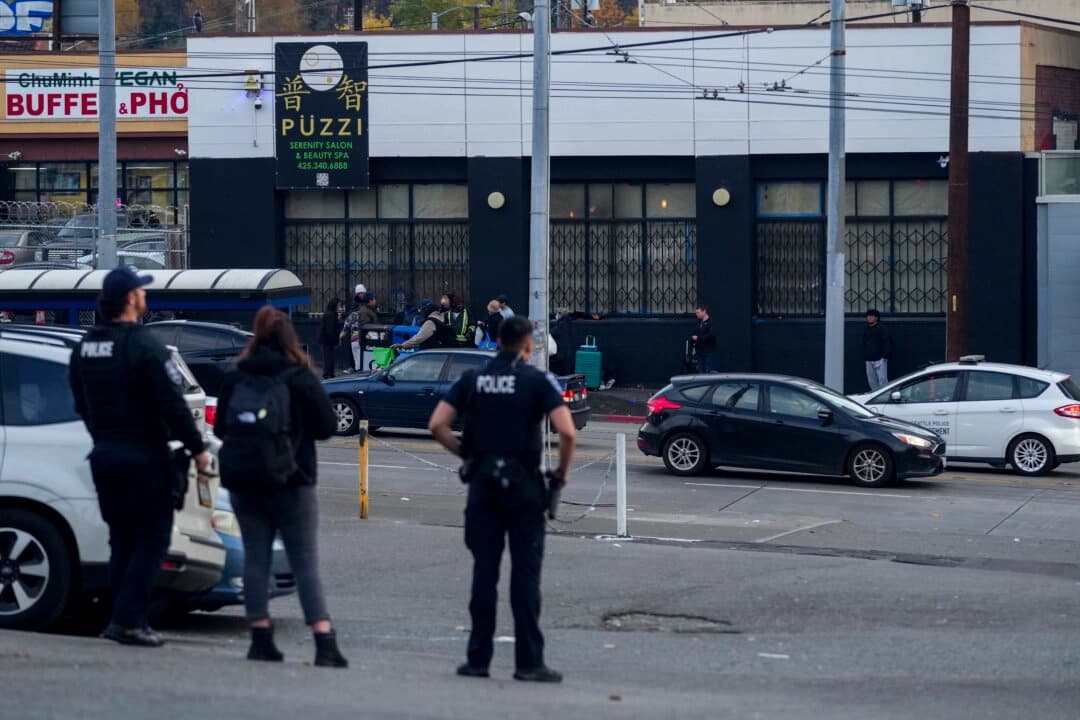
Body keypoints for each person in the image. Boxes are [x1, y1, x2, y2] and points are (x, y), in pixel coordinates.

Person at [427, 315, 577, 683]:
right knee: (525, 577)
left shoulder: (472, 379)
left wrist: (468, 456)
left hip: (483, 487)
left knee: (484, 572)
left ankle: (477, 659)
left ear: (495, 341)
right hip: (524, 488)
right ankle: (528, 663)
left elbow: (437, 425)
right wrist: (560, 475)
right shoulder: (536, 381)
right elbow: (567, 432)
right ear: (527, 345)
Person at [68, 266, 211, 648]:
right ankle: (129, 622)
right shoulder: (144, 346)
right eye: (142, 292)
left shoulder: (85, 347)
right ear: (131, 299)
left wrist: (103, 436)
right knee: (151, 541)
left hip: (105, 456)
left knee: (122, 541)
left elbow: (81, 401)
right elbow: (172, 404)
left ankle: (120, 617)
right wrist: (197, 449)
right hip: (145, 458)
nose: (145, 297)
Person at [214, 306, 347, 668]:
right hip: (294, 480)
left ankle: (260, 638)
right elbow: (325, 427)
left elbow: (220, 430)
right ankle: (323, 641)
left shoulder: (236, 375)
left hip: (244, 481)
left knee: (256, 557)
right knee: (304, 559)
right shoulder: (300, 377)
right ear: (291, 338)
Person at [339, 291, 380, 372]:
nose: (375, 301)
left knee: (359, 363)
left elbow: (345, 327)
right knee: (364, 364)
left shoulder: (353, 315)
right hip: (362, 340)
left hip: (354, 340)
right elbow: (366, 327)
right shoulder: (365, 312)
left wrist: (340, 337)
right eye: (374, 299)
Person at [863, 308, 892, 391]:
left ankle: (885, 396)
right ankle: (875, 396)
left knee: (882, 380)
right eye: (868, 316)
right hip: (869, 359)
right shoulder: (866, 329)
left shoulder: (882, 328)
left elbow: (887, 341)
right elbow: (864, 343)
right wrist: (865, 358)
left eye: (872, 316)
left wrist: (885, 356)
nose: (869, 318)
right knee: (872, 381)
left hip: (880, 359)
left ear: (876, 318)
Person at [317, 298, 342, 380]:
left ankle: (329, 373)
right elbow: (330, 329)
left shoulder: (330, 314)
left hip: (327, 339)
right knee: (328, 357)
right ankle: (327, 373)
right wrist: (334, 340)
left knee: (329, 357)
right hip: (328, 340)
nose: (339, 307)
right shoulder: (330, 315)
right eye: (338, 305)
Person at [690, 304, 717, 373]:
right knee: (700, 371)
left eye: (698, 312)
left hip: (708, 352)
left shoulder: (711, 322)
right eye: (696, 313)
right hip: (699, 351)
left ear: (704, 311)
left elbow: (711, 336)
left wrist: (698, 338)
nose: (696, 314)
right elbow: (694, 333)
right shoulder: (698, 323)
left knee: (708, 371)